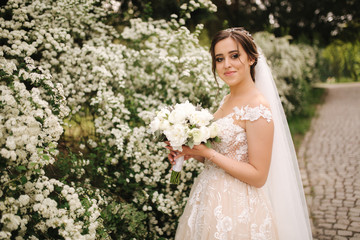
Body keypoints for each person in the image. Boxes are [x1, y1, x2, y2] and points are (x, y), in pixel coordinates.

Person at [166, 27, 312, 239]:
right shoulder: (227, 99)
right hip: (208, 200)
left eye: (234, 56)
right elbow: (221, 154)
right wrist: (189, 152)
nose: (227, 65)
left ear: (251, 58)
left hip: (239, 210)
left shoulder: (257, 108)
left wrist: (207, 153)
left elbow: (258, 175)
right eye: (219, 58)